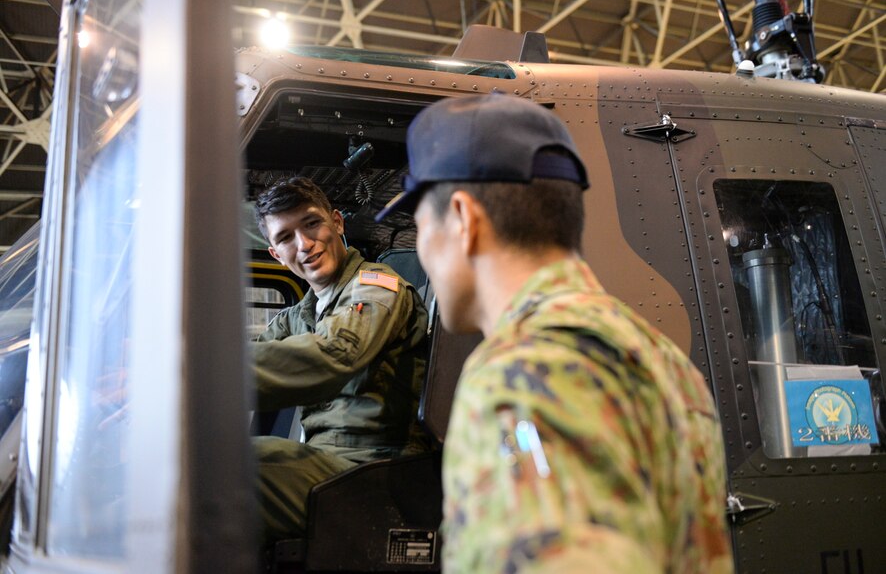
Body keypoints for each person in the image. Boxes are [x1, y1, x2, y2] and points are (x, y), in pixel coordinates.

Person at [376, 93, 733, 573]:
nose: (420, 251)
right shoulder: (660, 358)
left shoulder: (524, 371)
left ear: (463, 219)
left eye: (418, 226)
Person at [252, 177, 429, 546]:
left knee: (239, 468)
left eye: (312, 223)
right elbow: (244, 369)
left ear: (337, 222)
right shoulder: (296, 317)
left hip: (377, 474)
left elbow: (336, 353)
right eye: (285, 238)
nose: (304, 244)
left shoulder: (377, 285)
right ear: (275, 255)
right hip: (328, 467)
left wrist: (187, 377)